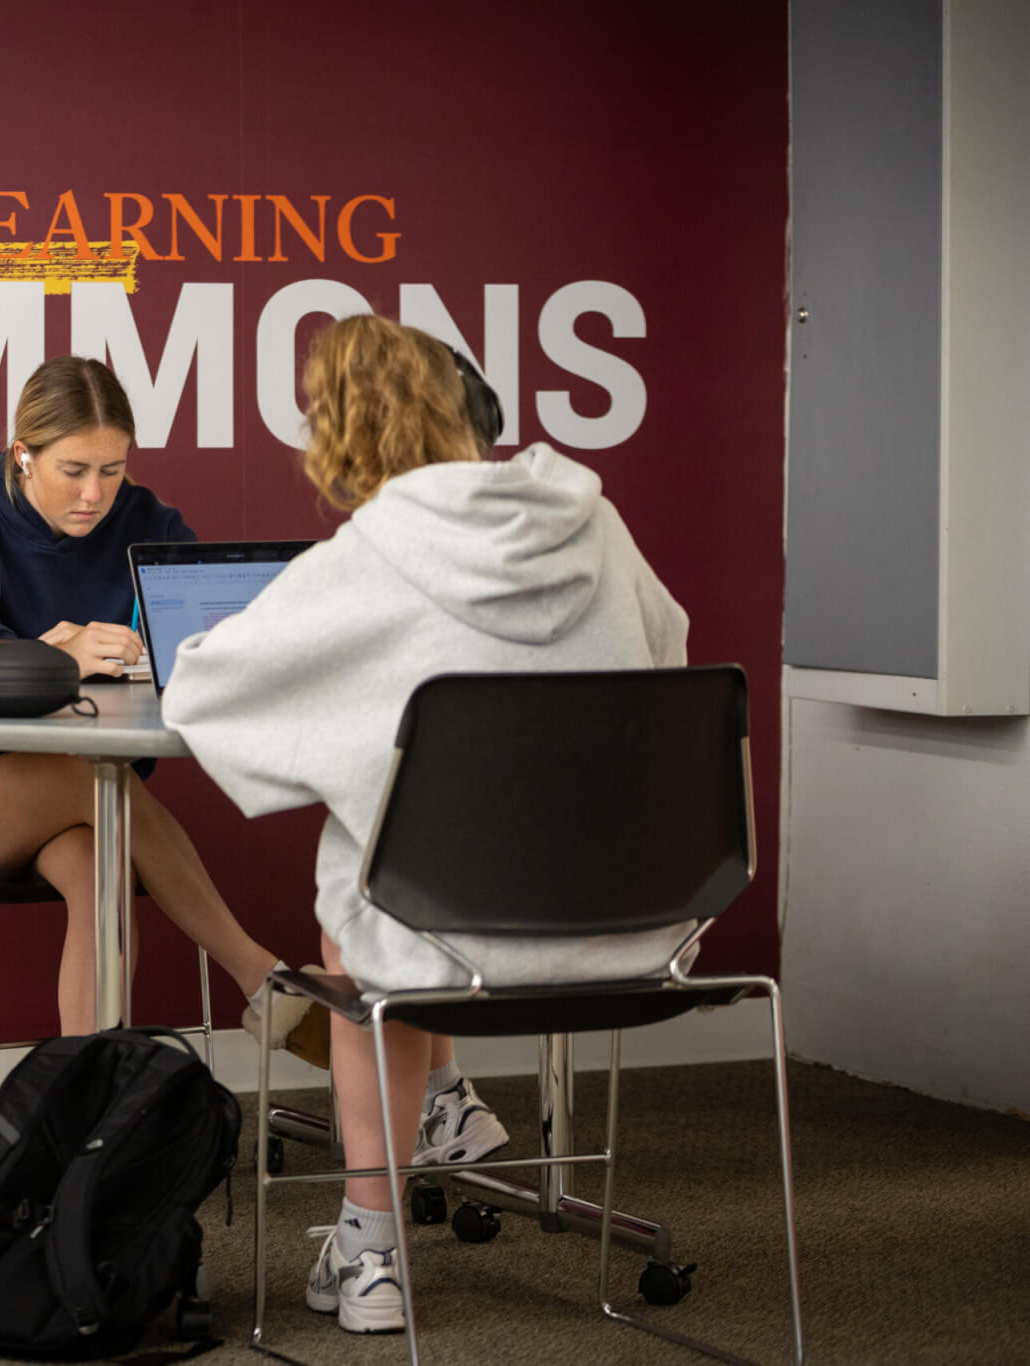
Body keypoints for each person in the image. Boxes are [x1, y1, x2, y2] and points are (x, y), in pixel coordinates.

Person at [161, 315, 690, 1336]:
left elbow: (208, 691)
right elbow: (666, 657)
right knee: (400, 877)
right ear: (465, 410)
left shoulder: (372, 550)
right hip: (636, 926)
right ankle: (445, 1113)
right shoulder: (592, 519)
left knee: (364, 913)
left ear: (338, 432)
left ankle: (373, 1246)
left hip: (448, 944)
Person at [0, 355, 312, 1043]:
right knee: (92, 774)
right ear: (23, 455)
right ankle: (258, 977)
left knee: (102, 877)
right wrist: (51, 657)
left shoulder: (148, 521)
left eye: (113, 469)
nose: (94, 494)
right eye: (73, 471)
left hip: (74, 800)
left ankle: (86, 1108)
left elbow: (205, 645)